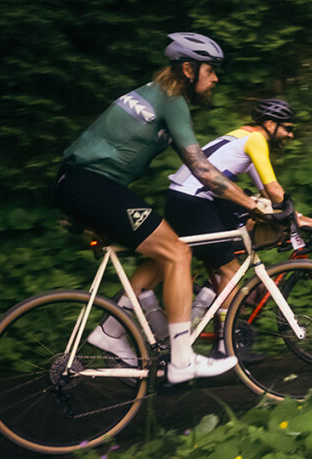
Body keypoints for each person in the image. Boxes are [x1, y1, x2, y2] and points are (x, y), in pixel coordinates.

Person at [54, 32, 273, 383]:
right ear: (189, 68)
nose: (216, 78)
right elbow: (202, 170)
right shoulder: (172, 100)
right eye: (212, 70)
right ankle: (182, 362)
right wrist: (251, 203)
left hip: (77, 183)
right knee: (178, 254)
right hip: (94, 185)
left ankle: (111, 332)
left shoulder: (151, 92)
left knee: (164, 251)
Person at [163, 97, 312, 357]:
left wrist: (299, 218)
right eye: (287, 128)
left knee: (228, 258)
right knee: (231, 271)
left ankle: (204, 311)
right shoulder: (256, 140)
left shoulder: (240, 137)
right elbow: (275, 191)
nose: (290, 134)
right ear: (269, 124)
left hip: (183, 198)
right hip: (194, 203)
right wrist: (292, 219)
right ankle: (225, 346)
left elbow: (266, 193)